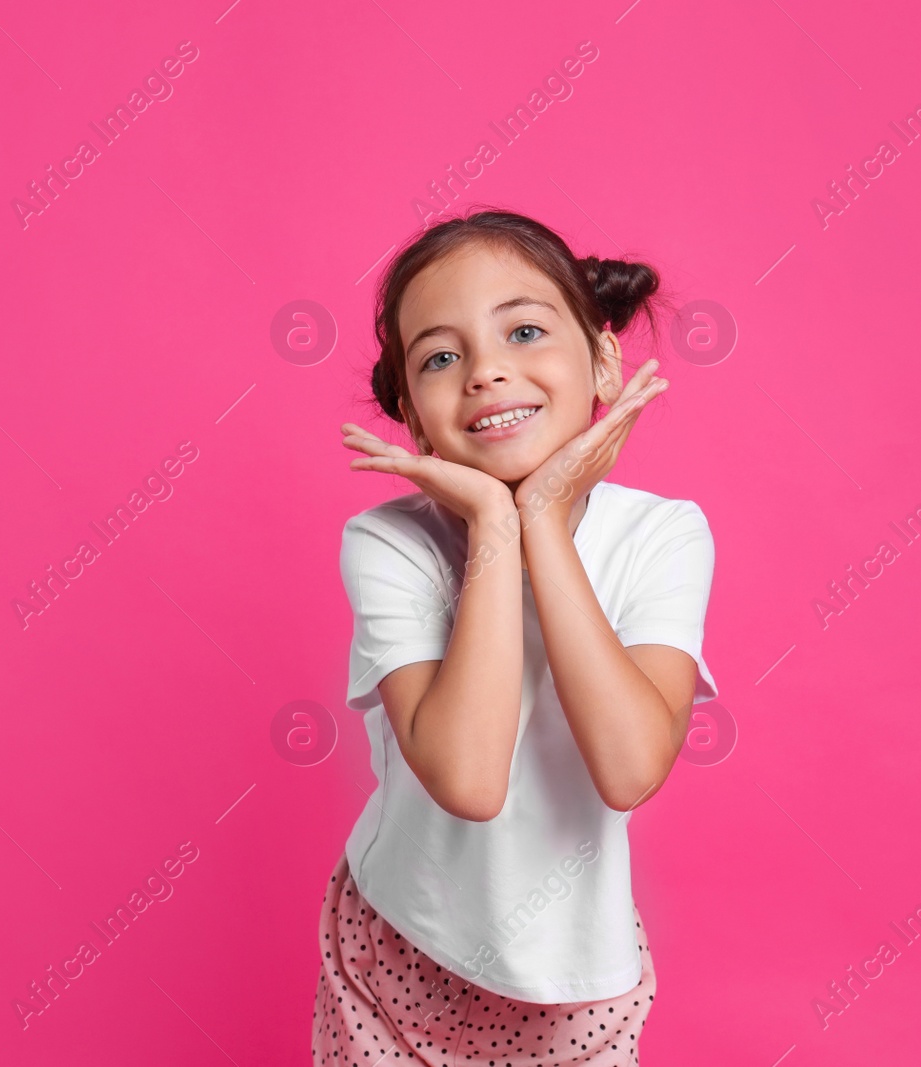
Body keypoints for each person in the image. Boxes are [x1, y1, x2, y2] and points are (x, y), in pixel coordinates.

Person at [313, 208, 717, 1065]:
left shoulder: (664, 534)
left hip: (578, 982)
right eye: (441, 357)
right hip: (399, 948)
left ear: (603, 360)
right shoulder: (388, 542)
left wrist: (542, 516)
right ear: (416, 420)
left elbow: (630, 766)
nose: (487, 373)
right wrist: (495, 519)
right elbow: (468, 777)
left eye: (524, 330)